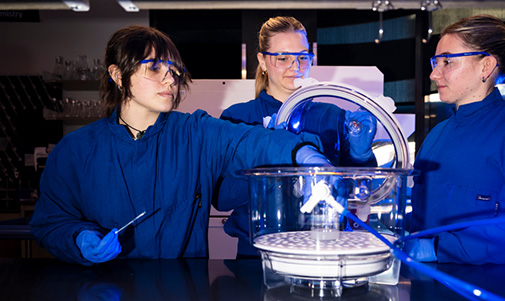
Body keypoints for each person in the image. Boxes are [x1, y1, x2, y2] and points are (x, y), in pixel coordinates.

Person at [29, 25, 332, 266]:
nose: (170, 80)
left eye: (173, 70)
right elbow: (50, 222)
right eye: (154, 68)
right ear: (118, 75)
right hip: (106, 298)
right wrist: (79, 239)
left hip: (184, 300)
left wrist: (305, 155)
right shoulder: (75, 150)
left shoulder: (195, 132)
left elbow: (251, 141)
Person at [406, 14, 505, 264]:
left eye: (447, 62)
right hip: (429, 288)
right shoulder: (438, 134)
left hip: (497, 291)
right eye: (435, 62)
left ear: (486, 66)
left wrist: (438, 249)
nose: (434, 75)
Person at [216, 16, 377, 258]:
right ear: (262, 61)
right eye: (283, 58)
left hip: (324, 248)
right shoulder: (238, 118)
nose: (296, 66)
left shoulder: (333, 116)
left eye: (303, 57)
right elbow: (222, 197)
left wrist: (361, 155)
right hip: (256, 256)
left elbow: (362, 193)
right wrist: (272, 156)